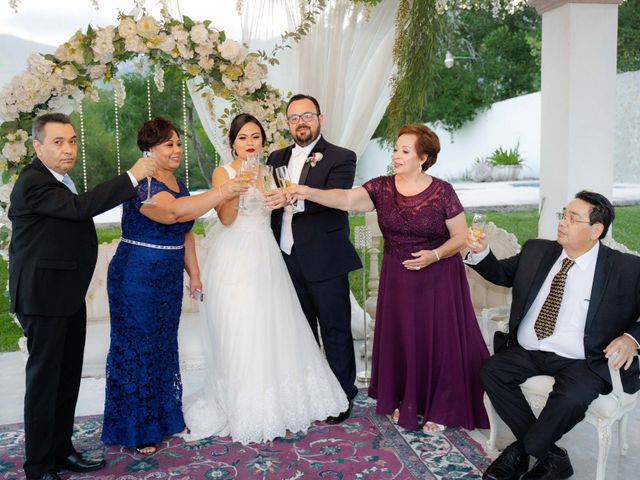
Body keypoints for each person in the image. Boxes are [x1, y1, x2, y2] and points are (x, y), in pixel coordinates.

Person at [287, 123, 490, 433]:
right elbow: (345, 199)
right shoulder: (381, 188)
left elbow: (460, 236)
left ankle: (441, 406)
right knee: (405, 337)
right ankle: (409, 400)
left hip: (438, 275)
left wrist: (434, 255)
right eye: (396, 149)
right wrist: (306, 191)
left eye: (405, 151)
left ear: (423, 158)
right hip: (398, 275)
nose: (396, 155)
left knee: (438, 340)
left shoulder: (442, 191)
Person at [182, 113, 348, 444]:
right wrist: (233, 190)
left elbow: (277, 210)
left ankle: (278, 399)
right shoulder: (223, 172)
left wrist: (283, 198)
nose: (249, 143)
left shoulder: (270, 171)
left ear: (262, 142)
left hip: (268, 256)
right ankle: (242, 401)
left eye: (255, 137)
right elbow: (227, 219)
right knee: (241, 326)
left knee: (272, 325)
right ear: (232, 143)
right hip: (235, 256)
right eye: (243, 137)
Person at [8, 113, 156, 480]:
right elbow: (80, 208)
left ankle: (61, 452)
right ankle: (39, 466)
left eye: (72, 141)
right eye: (58, 142)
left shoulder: (58, 179)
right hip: (43, 299)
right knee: (44, 385)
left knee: (66, 378)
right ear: (37, 146)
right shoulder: (33, 182)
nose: (68, 149)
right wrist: (133, 176)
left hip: (65, 295)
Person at [466, 191, 640, 480]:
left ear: (596, 230)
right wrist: (481, 252)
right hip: (529, 349)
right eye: (563, 214)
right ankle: (552, 457)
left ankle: (521, 451)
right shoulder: (538, 251)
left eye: (573, 218)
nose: (562, 222)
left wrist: (631, 339)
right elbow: (500, 273)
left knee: (572, 396)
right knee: (491, 371)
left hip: (583, 358)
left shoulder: (625, 268)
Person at [101, 117, 248, 454]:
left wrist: (194, 273)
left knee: (164, 347)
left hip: (167, 277)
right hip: (135, 276)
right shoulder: (143, 184)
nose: (177, 149)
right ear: (149, 150)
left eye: (178, 143)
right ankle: (138, 429)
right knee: (139, 349)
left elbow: (186, 232)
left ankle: (166, 417)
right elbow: (172, 215)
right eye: (169, 144)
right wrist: (222, 191)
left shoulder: (177, 182)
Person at [263, 94, 361, 423]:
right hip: (286, 256)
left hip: (325, 257)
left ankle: (343, 394)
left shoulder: (341, 157)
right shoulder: (276, 157)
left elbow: (340, 199)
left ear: (320, 118)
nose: (300, 122)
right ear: (287, 123)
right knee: (300, 331)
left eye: (307, 115)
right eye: (294, 118)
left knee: (334, 329)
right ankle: (310, 392)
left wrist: (298, 195)